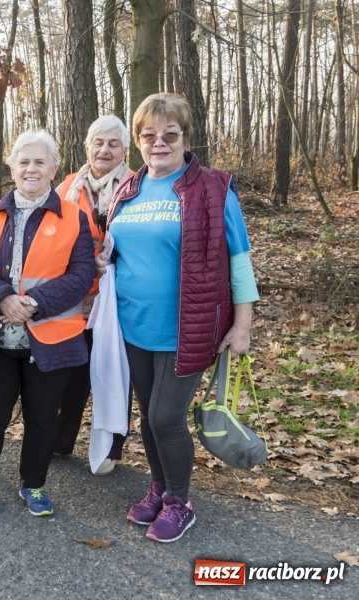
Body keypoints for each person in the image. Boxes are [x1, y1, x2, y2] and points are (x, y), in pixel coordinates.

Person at [98, 93, 259, 542]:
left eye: (170, 135)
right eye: (149, 135)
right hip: (132, 325)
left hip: (187, 326)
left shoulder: (212, 187)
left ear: (185, 137)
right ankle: (158, 487)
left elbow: (239, 260)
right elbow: (118, 251)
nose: (159, 143)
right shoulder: (127, 189)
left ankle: (180, 500)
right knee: (149, 415)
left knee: (166, 417)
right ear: (138, 141)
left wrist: (241, 325)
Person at [0, 131, 96, 519]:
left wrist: (34, 303)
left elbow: (82, 272)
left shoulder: (74, 218)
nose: (31, 169)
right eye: (24, 162)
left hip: (49, 338)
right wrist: (2, 297)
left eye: (39, 162)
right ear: (12, 168)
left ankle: (33, 483)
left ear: (54, 169)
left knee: (41, 418)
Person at [54, 115, 132, 472]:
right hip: (75, 296)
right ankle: (60, 441)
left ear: (125, 150)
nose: (104, 150)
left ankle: (110, 451)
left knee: (115, 372)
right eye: (98, 143)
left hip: (119, 297)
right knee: (73, 371)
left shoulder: (137, 185)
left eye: (113, 144)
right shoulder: (68, 186)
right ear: (86, 147)